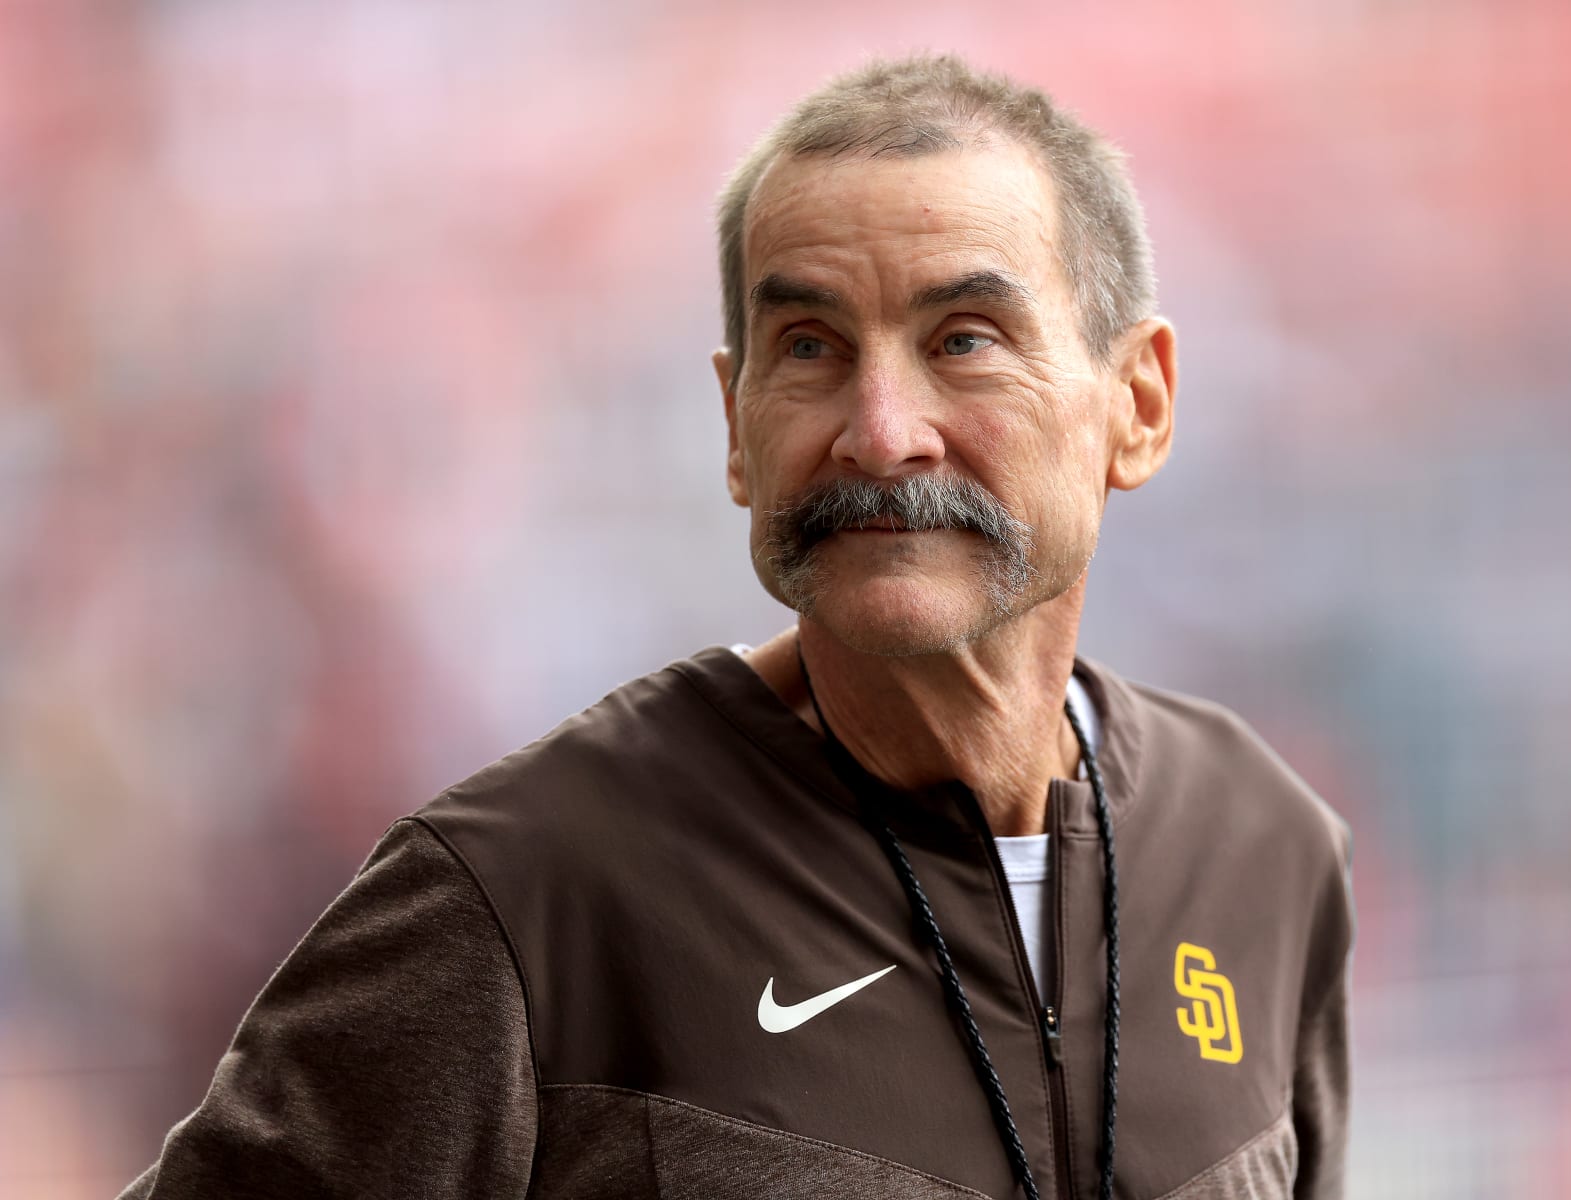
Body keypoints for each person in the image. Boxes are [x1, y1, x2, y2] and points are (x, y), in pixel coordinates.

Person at [122, 53, 1352, 1200]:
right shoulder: (530, 896)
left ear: (1138, 404)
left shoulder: (1267, 848)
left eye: (964, 341)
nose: (881, 431)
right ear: (735, 426)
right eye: (809, 347)